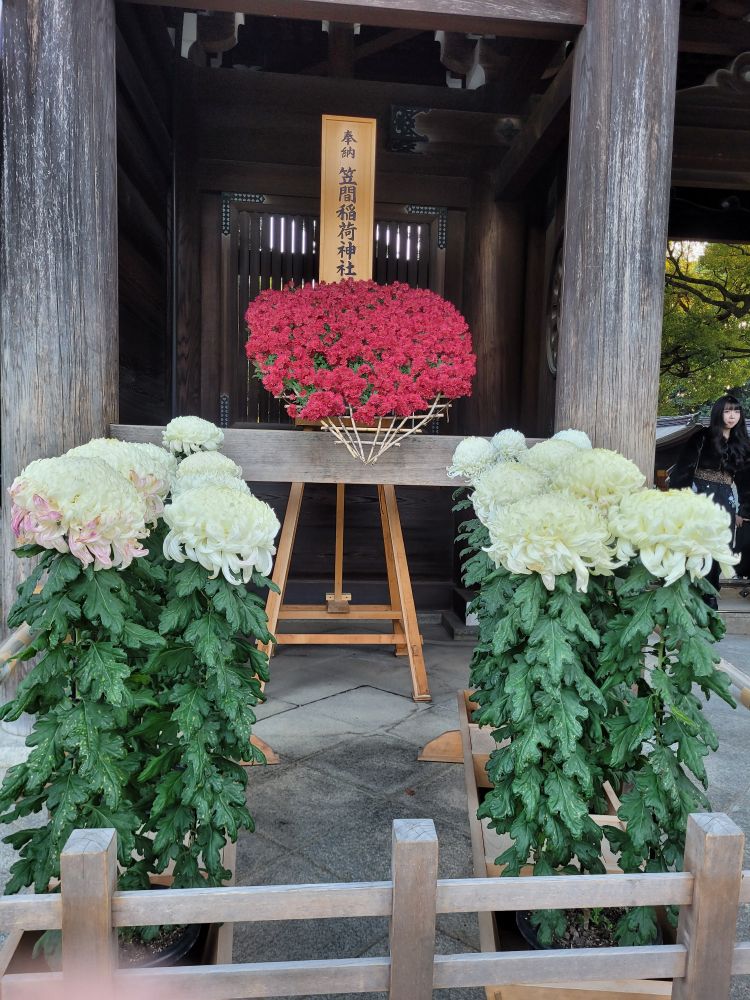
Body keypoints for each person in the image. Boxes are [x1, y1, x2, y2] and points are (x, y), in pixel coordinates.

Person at [670, 394, 750, 608]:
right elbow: (683, 469)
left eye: (736, 411)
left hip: (726, 499)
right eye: (727, 411)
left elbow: (745, 480)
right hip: (700, 495)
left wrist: (744, 509)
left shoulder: (741, 442)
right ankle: (688, 589)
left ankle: (710, 592)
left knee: (719, 546)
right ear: (718, 413)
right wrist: (681, 498)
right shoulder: (702, 437)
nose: (732, 416)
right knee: (696, 543)